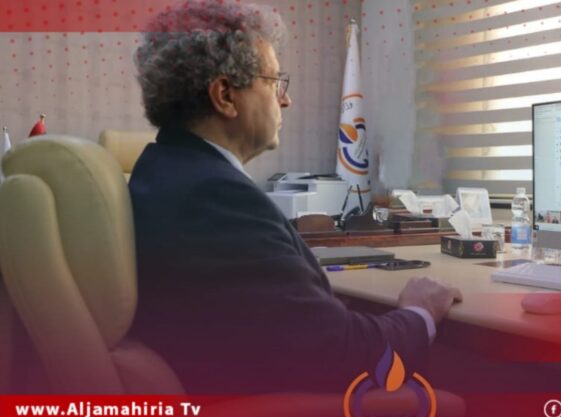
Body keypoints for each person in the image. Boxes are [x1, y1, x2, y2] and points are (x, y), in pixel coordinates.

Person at [129, 0, 461, 392]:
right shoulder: (213, 196)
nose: (285, 100)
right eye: (274, 83)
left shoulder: (164, 171)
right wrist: (419, 312)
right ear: (225, 96)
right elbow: (339, 353)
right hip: (262, 412)